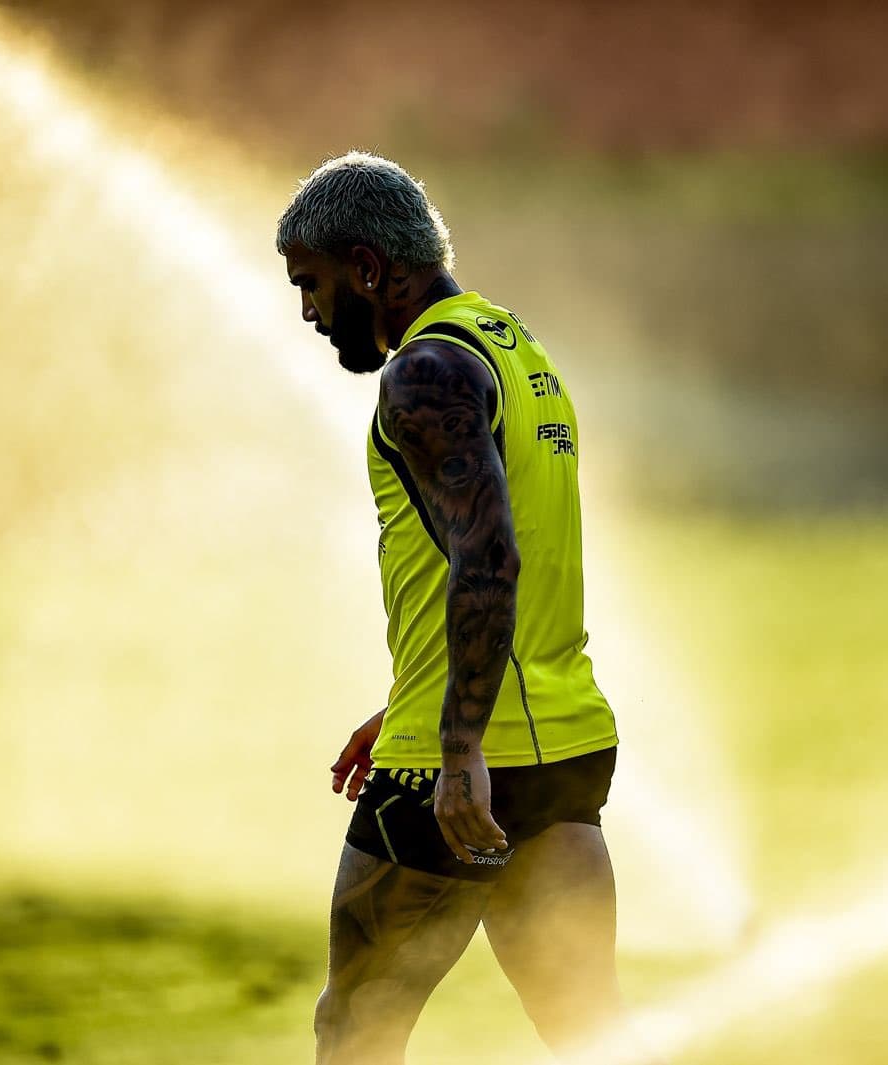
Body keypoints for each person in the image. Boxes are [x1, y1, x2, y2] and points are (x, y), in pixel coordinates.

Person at [278, 152, 627, 1065]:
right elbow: (514, 555)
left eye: (312, 283)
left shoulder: (424, 375)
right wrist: (418, 695)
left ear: (367, 266)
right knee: (590, 1033)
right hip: (564, 750)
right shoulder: (515, 348)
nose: (308, 311)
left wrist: (456, 742)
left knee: (355, 1027)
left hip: (465, 769)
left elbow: (489, 554)